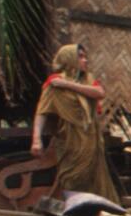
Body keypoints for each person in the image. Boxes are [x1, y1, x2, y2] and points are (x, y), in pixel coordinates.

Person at [31, 43, 122, 203]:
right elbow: (42, 111)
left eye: (85, 56)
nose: (85, 60)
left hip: (90, 138)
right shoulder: (54, 84)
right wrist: (36, 140)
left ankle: (98, 210)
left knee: (94, 176)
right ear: (69, 60)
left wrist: (68, 85)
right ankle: (76, 210)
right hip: (69, 140)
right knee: (72, 176)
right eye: (80, 57)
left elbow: (99, 93)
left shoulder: (86, 80)